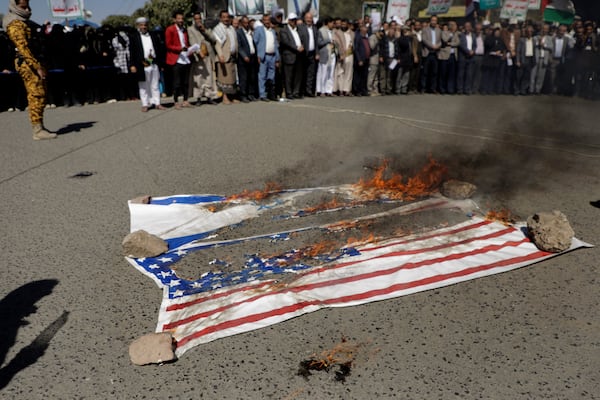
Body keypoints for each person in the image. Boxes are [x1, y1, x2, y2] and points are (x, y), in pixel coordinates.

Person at [3, 0, 56, 140]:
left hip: (34, 61)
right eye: (23, 7)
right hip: (27, 63)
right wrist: (36, 66)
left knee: (41, 92)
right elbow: (23, 48)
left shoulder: (24, 21)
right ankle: (37, 130)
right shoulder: (14, 22)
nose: (27, 9)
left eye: (28, 6)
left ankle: (40, 126)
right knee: (36, 94)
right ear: (15, 6)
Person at [129, 17, 166, 112]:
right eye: (141, 25)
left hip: (153, 63)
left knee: (155, 84)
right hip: (142, 64)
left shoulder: (153, 35)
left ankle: (157, 103)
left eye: (145, 25)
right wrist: (132, 65)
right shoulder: (134, 37)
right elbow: (132, 52)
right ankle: (145, 104)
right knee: (143, 85)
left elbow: (158, 49)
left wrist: (161, 64)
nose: (144, 27)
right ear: (138, 26)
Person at [187, 12, 218, 105]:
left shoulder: (206, 28)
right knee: (198, 78)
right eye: (196, 19)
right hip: (199, 56)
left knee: (209, 78)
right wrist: (198, 51)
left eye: (199, 18)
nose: (198, 20)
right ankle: (198, 98)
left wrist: (204, 30)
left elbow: (213, 39)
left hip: (208, 55)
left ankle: (209, 96)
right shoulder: (190, 29)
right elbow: (192, 41)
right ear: (193, 20)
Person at [165, 9, 192, 109]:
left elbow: (186, 43)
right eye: (179, 18)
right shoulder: (170, 29)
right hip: (176, 58)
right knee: (177, 82)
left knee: (186, 82)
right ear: (174, 20)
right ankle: (176, 101)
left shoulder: (184, 30)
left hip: (185, 58)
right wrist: (179, 49)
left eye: (182, 18)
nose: (181, 20)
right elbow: (168, 45)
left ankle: (185, 100)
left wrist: (190, 49)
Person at [213, 10, 239, 105]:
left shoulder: (231, 28)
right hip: (223, 57)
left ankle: (231, 97)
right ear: (220, 18)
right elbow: (217, 44)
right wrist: (220, 55)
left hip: (232, 56)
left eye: (227, 17)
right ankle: (225, 98)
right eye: (224, 17)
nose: (226, 19)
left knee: (231, 78)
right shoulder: (218, 29)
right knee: (224, 78)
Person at [254, 13, 280, 101]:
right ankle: (262, 94)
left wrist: (277, 58)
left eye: (268, 20)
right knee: (262, 76)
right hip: (263, 56)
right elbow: (255, 43)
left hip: (272, 55)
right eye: (265, 20)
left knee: (271, 76)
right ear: (262, 21)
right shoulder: (259, 30)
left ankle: (271, 94)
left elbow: (275, 45)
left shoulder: (272, 31)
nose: (267, 22)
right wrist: (258, 55)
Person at [279, 12, 304, 99]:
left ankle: (296, 92)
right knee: (288, 76)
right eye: (292, 20)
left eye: (295, 20)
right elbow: (286, 42)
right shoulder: (284, 30)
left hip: (299, 56)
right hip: (289, 55)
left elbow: (303, 39)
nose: (294, 22)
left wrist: (302, 46)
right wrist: (296, 48)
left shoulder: (298, 30)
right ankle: (289, 93)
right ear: (289, 21)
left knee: (298, 75)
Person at [236, 15, 258, 102]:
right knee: (244, 77)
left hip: (252, 57)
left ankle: (251, 94)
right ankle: (243, 95)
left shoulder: (251, 32)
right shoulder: (239, 32)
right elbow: (239, 46)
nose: (246, 24)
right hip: (243, 58)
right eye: (244, 22)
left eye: (247, 22)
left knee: (252, 77)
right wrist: (244, 55)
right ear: (241, 23)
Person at [298, 12, 318, 97]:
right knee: (302, 73)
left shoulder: (314, 28)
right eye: (307, 18)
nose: (309, 20)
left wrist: (317, 53)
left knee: (311, 73)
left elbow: (316, 42)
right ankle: (301, 91)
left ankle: (308, 91)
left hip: (312, 53)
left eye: (310, 18)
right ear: (304, 19)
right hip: (303, 53)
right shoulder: (300, 28)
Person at [333, 18, 354, 96]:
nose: (343, 26)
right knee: (340, 73)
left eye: (345, 24)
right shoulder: (337, 33)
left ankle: (347, 89)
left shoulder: (352, 33)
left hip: (350, 55)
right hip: (341, 55)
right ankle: (340, 89)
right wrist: (340, 54)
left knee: (349, 73)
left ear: (348, 25)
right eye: (342, 24)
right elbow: (336, 44)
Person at [421, 16, 442, 93]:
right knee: (425, 72)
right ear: (430, 21)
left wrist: (437, 46)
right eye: (432, 20)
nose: (434, 22)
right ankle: (423, 88)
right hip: (427, 52)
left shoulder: (439, 30)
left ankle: (433, 88)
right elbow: (424, 39)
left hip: (435, 53)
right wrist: (432, 46)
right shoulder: (425, 29)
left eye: (435, 20)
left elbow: (440, 41)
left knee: (434, 72)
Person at [316, 17, 335, 96]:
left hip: (332, 54)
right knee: (323, 73)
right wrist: (328, 41)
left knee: (330, 73)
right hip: (324, 53)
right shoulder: (321, 31)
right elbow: (319, 42)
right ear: (328, 23)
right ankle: (321, 90)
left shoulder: (332, 31)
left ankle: (328, 90)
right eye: (332, 23)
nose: (333, 25)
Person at [457, 21, 477, 95]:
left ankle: (467, 89)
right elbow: (461, 45)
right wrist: (468, 51)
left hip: (471, 57)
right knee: (461, 74)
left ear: (471, 27)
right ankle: (460, 89)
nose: (467, 28)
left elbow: (475, 45)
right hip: (463, 56)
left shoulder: (473, 35)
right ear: (464, 27)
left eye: (469, 26)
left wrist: (473, 51)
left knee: (469, 74)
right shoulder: (461, 35)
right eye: (466, 26)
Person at [515, 25, 535, 95]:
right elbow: (518, 51)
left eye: (531, 32)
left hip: (530, 59)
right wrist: (517, 60)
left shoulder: (534, 40)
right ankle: (516, 90)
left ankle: (523, 90)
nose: (529, 33)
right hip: (522, 59)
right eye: (528, 32)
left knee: (526, 76)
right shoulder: (522, 40)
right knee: (519, 76)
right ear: (526, 32)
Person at [352, 23, 370, 96]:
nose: (366, 29)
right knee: (358, 76)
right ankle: (357, 90)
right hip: (360, 60)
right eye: (365, 28)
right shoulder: (358, 37)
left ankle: (363, 90)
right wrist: (359, 59)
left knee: (364, 76)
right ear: (361, 29)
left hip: (366, 59)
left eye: (366, 28)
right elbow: (356, 49)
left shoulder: (366, 37)